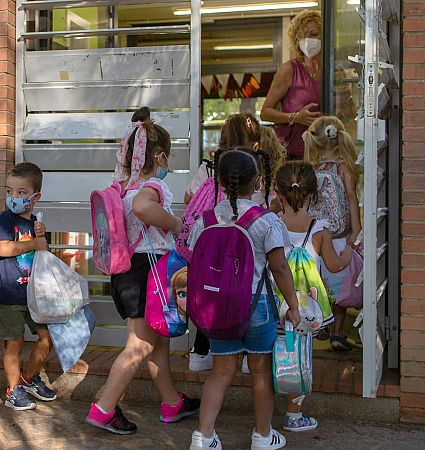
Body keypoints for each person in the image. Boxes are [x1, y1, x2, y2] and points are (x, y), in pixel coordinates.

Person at [86, 107, 199, 435]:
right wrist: (176, 224)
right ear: (160, 156)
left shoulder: (121, 188)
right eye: (170, 157)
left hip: (127, 273)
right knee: (138, 346)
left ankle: (171, 403)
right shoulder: (151, 189)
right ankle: (104, 408)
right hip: (148, 271)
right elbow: (143, 209)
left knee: (156, 342)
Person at [188, 149, 301, 450]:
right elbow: (279, 267)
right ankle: (263, 436)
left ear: (221, 184)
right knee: (261, 371)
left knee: (220, 371)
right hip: (257, 305)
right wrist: (293, 303)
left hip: (218, 307)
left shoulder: (206, 220)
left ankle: (203, 436)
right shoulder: (266, 221)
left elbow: (194, 260)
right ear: (259, 182)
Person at [184, 113, 277, 373]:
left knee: (211, 288)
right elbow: (267, 203)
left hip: (213, 243)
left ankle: (201, 351)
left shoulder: (210, 167)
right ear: (256, 143)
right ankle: (250, 355)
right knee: (247, 288)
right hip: (247, 244)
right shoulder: (255, 167)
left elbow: (188, 195)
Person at [274, 161, 353, 432]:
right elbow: (333, 265)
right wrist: (347, 254)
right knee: (300, 356)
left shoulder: (271, 222)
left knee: (269, 352)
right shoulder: (319, 230)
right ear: (314, 195)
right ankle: (294, 415)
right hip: (305, 308)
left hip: (274, 303)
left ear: (278, 192)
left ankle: (265, 401)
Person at [0, 162, 57, 411]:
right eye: (9, 191)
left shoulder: (36, 223)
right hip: (10, 296)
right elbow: (3, 248)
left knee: (46, 337)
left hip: (33, 296)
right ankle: (12, 390)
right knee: (14, 343)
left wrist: (41, 237)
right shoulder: (5, 219)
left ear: (35, 196)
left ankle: (28, 379)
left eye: (20, 192)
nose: (13, 197)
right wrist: (34, 244)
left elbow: (44, 257)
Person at [303, 117, 361, 352]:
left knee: (318, 282)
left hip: (316, 235)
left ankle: (321, 322)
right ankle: (337, 331)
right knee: (342, 286)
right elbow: (351, 199)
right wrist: (356, 231)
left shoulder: (311, 169)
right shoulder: (343, 167)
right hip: (339, 235)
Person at [262, 9, 322, 159]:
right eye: (303, 36)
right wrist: (295, 117)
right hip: (293, 154)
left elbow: (348, 109)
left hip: (325, 152)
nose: (309, 40)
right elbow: (265, 112)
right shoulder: (289, 70)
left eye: (314, 34)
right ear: (297, 41)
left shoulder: (333, 71)